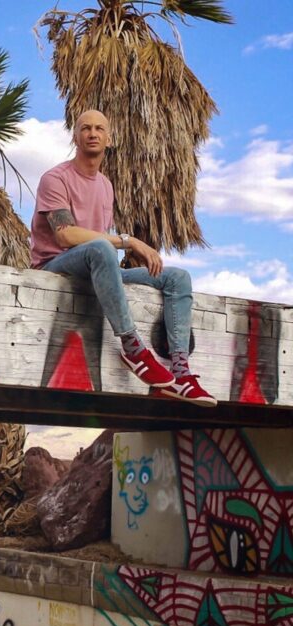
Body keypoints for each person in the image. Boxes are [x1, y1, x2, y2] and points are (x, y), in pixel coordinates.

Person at [31, 110, 216, 406]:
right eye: (86, 128)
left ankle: (181, 373)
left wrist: (119, 247)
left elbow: (97, 243)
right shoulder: (55, 178)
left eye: (99, 129)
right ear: (75, 137)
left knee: (177, 277)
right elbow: (65, 235)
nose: (93, 133)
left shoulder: (105, 185)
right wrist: (129, 242)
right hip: (55, 268)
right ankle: (133, 350)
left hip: (95, 268)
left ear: (109, 138)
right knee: (104, 249)